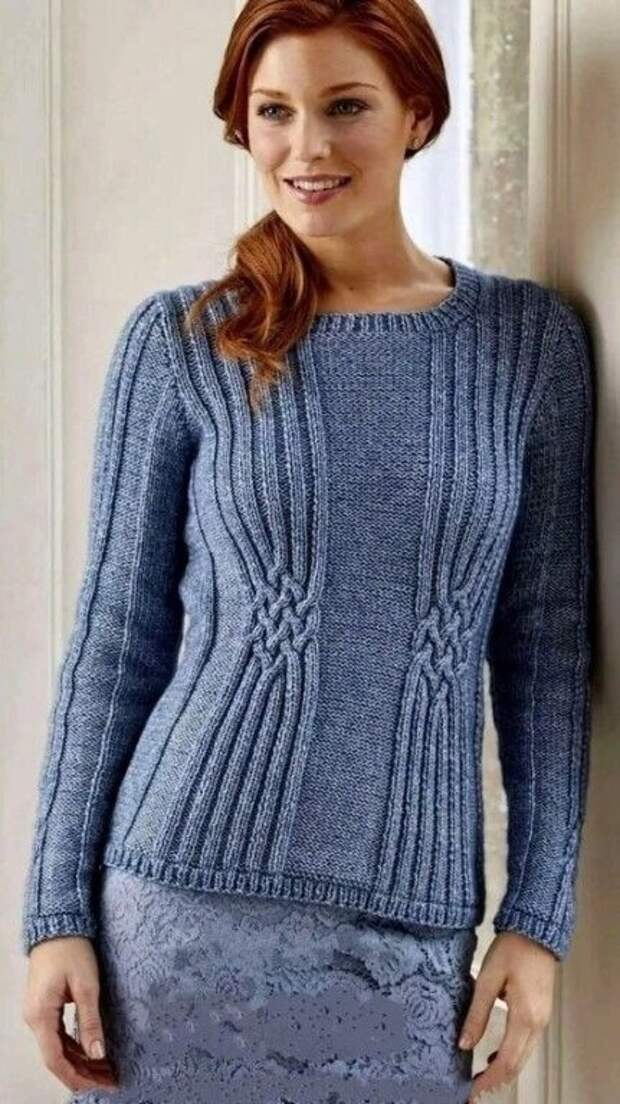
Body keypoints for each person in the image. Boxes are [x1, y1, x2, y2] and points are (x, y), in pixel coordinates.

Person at [21, 2, 595, 1103]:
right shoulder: (183, 343)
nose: (307, 147)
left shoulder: (525, 345)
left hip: (409, 936)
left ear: (417, 114)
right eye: (274, 112)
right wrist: (55, 914)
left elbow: (546, 659)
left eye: (345, 107)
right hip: (176, 921)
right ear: (242, 126)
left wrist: (536, 918)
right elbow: (114, 648)